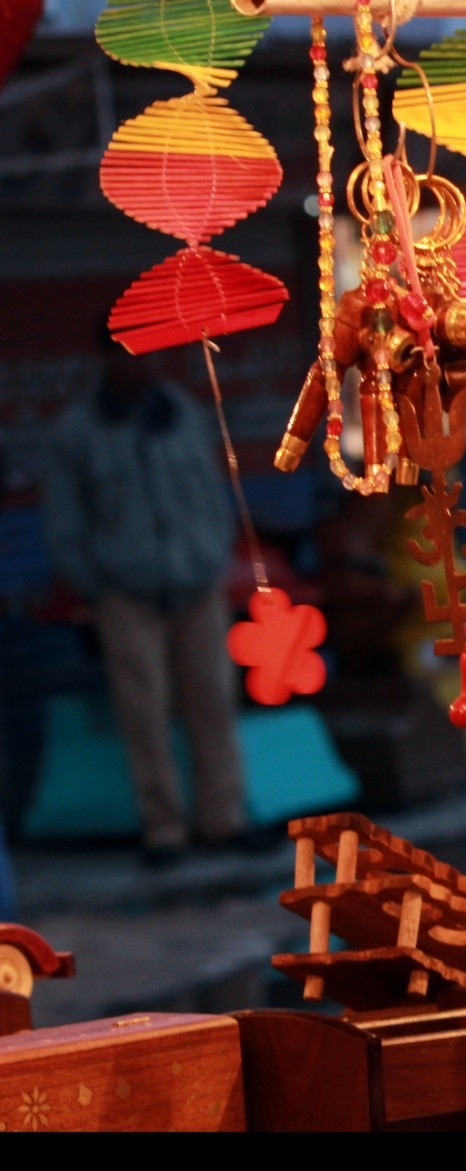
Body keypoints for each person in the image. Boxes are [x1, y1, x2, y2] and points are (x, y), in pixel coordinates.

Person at [38, 330, 256, 866]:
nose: (140, 362)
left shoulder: (180, 412)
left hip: (196, 583)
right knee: (144, 714)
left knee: (214, 702)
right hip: (126, 594)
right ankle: (164, 831)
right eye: (127, 352)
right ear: (105, 357)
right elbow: (64, 522)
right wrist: (97, 587)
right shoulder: (76, 432)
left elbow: (211, 492)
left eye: (147, 350)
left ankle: (223, 820)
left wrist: (213, 555)